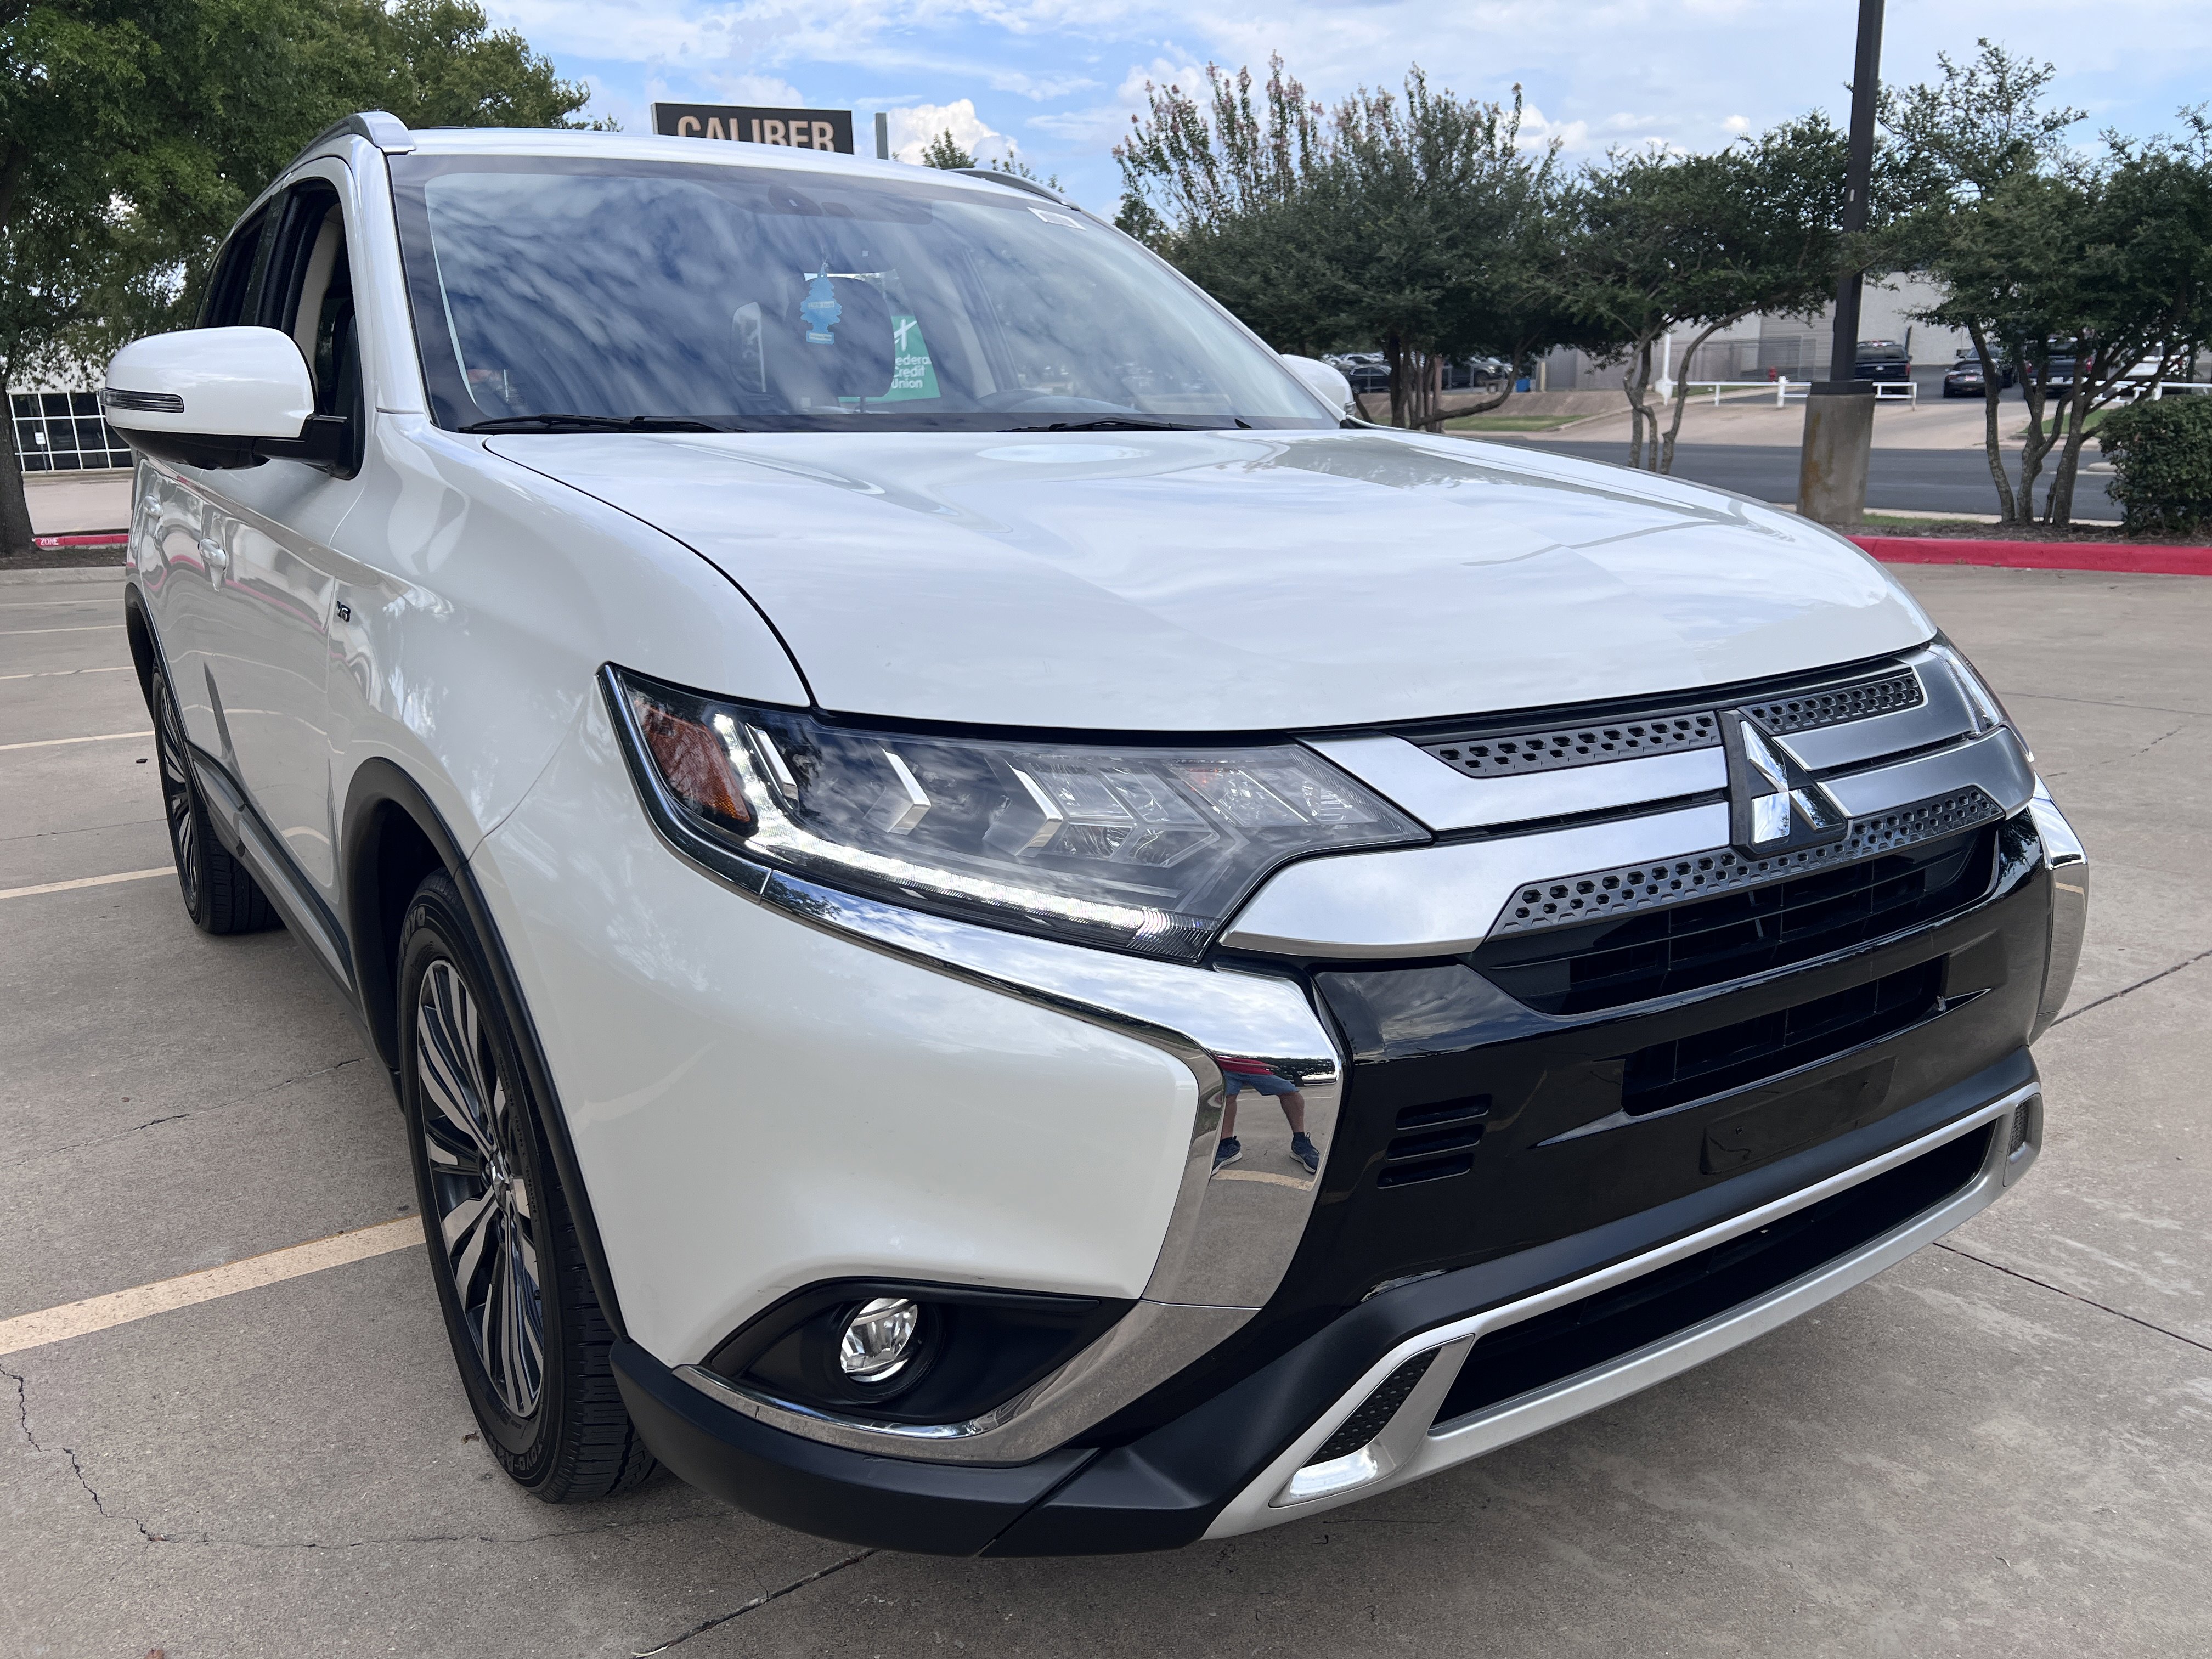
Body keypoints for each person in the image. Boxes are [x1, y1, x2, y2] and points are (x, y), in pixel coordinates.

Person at [1213, 1057, 1319, 1176]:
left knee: (1290, 1093)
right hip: (1224, 1064)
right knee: (1227, 1098)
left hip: (1255, 1065)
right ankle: (1227, 1145)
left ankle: (1300, 1142)